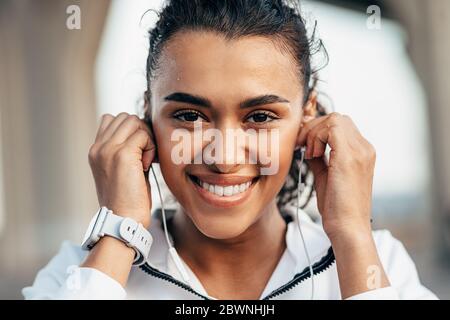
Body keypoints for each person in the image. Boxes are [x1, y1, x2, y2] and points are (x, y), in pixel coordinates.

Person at [23, 0, 437, 300]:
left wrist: (350, 236)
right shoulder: (81, 273)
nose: (223, 157)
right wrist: (120, 232)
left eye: (259, 118)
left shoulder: (376, 262)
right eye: (189, 115)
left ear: (307, 119)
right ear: (147, 117)